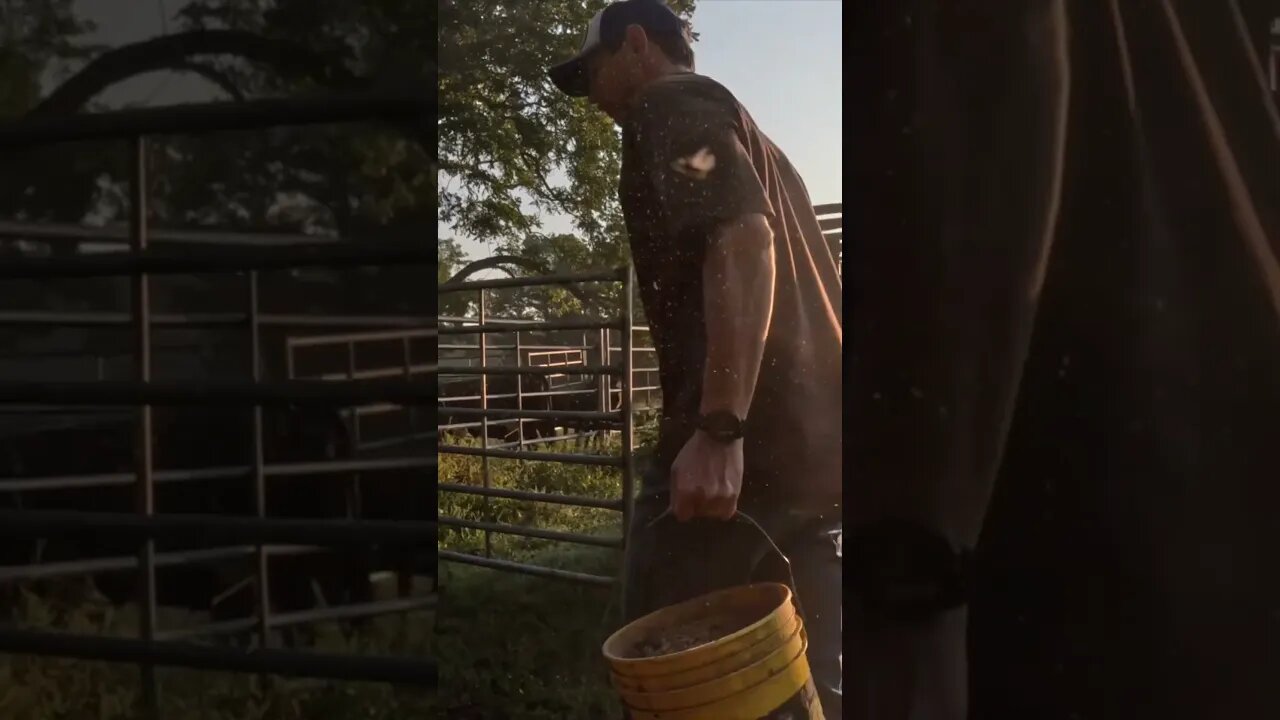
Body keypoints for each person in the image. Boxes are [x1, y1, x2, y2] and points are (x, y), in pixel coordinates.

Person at [546, 1, 843, 715]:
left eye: (592, 72)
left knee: (670, 672)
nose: (590, 95)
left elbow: (743, 239)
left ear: (638, 44)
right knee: (805, 674)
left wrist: (720, 430)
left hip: (740, 459)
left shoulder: (668, 104)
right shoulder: (755, 140)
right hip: (814, 453)